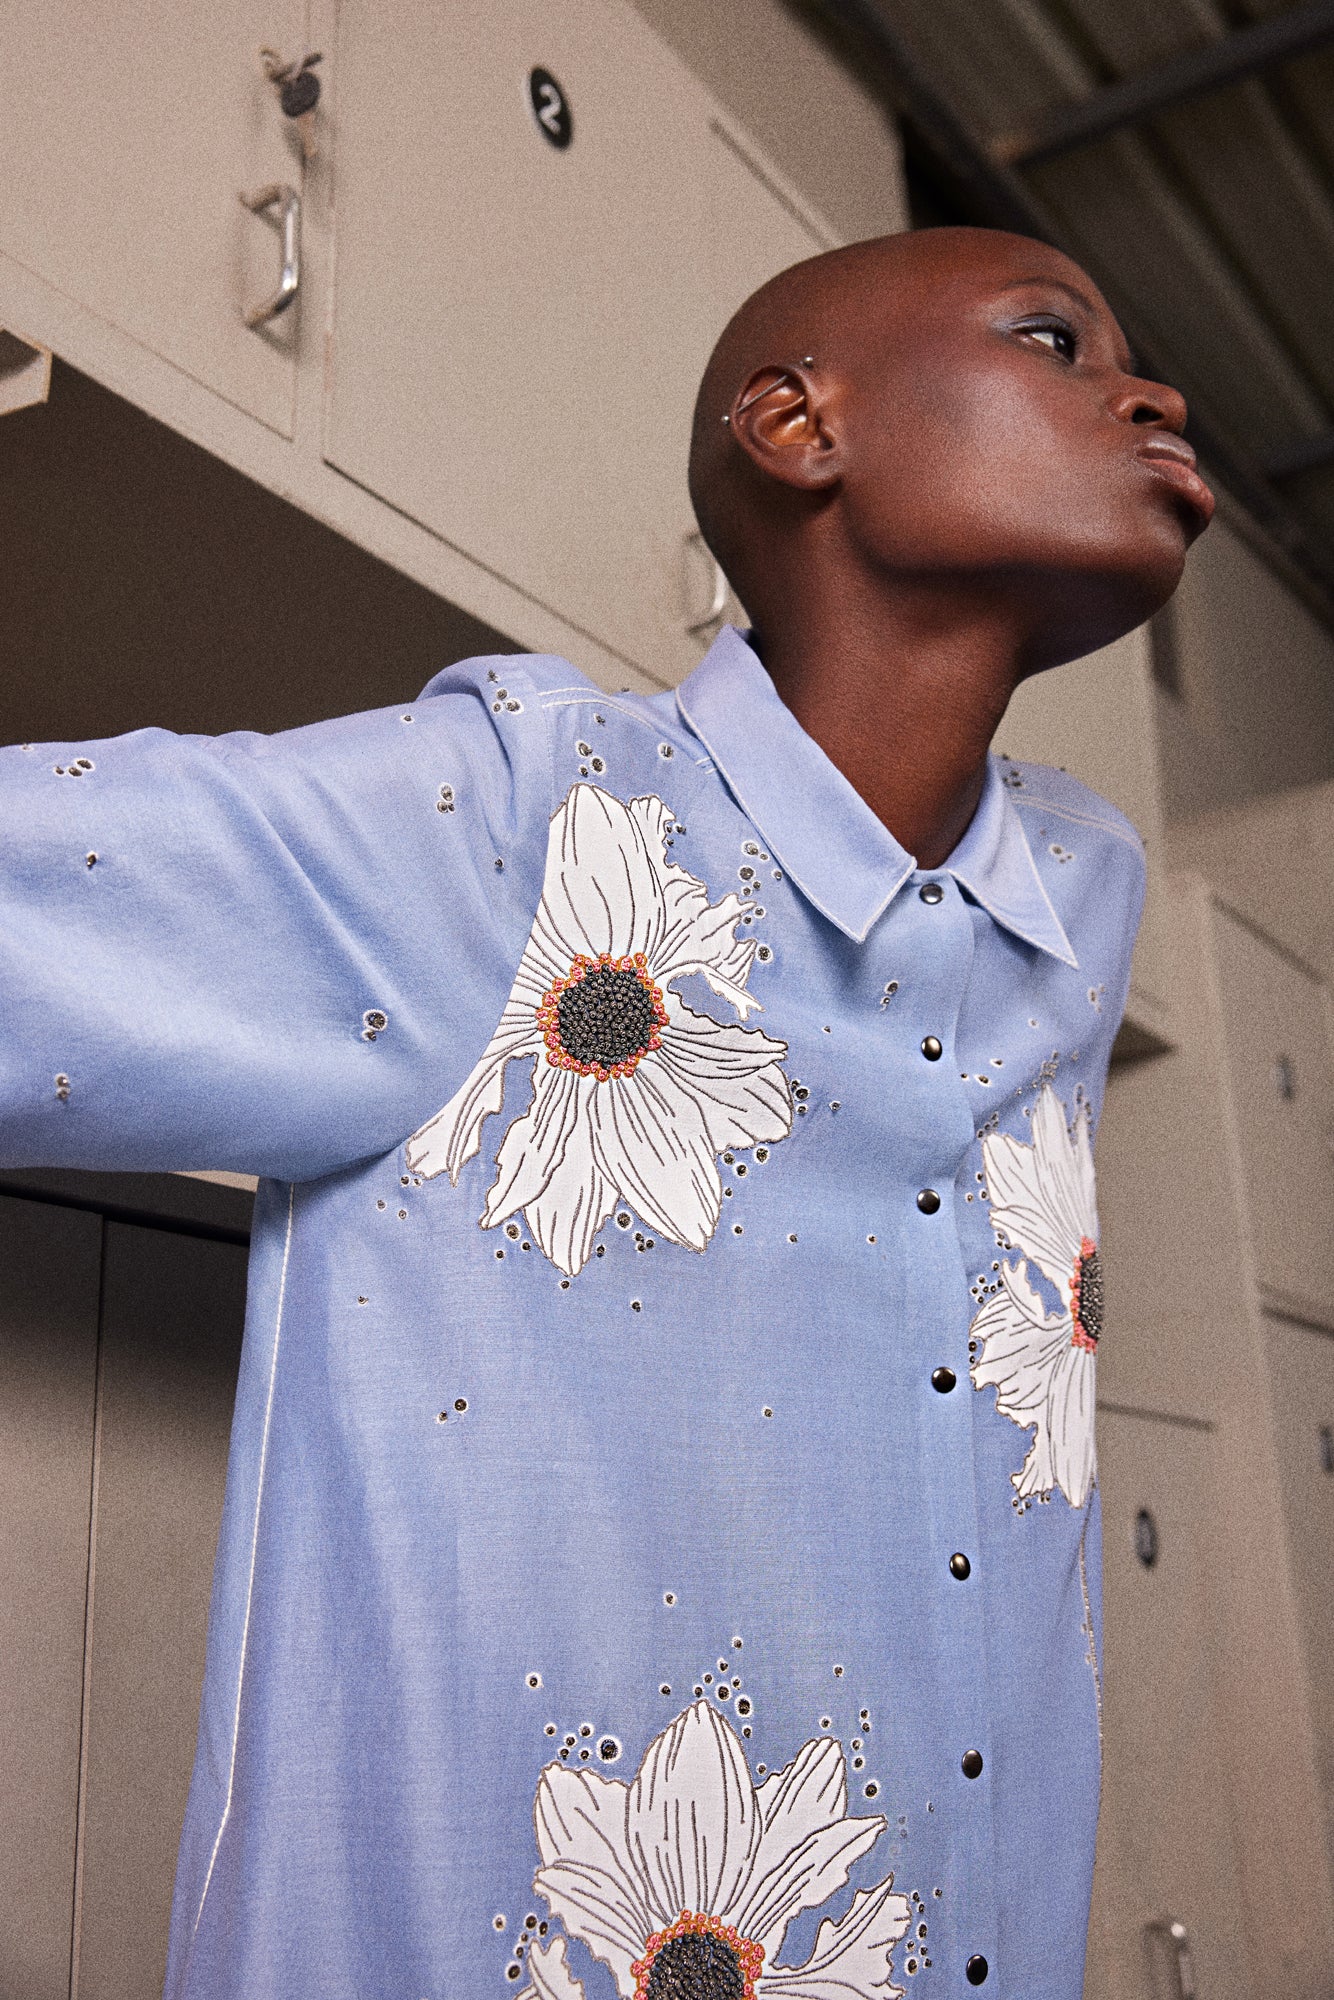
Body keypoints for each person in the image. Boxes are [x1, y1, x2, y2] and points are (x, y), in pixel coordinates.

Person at [2, 226, 1212, 1999]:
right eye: (1052, 340)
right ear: (796, 425)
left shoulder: (1076, 900)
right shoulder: (518, 830)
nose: (1156, 393)